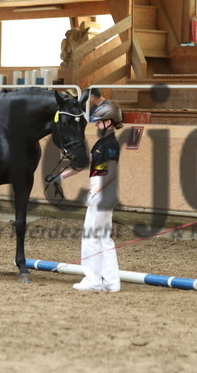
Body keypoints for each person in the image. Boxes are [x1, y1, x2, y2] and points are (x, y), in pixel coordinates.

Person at [48, 101, 123, 292]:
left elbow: (112, 173)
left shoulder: (111, 144)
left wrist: (96, 191)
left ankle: (93, 281)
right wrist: (59, 177)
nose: (96, 125)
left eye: (99, 121)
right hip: (101, 189)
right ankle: (112, 282)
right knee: (103, 238)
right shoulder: (101, 143)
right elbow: (83, 164)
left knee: (90, 237)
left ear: (109, 122)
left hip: (102, 190)